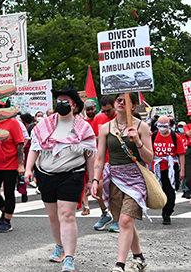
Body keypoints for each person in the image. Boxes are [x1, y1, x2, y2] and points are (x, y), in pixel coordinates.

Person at [25, 88, 95, 272]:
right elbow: (35, 148)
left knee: (67, 215)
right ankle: (59, 246)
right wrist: (28, 169)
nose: (62, 103)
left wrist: (92, 180)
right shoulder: (44, 125)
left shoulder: (83, 128)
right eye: (59, 100)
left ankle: (69, 258)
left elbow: (90, 155)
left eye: (66, 100)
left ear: (75, 104)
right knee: (53, 216)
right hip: (45, 174)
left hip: (72, 174)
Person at [91, 93, 153, 272]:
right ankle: (139, 257)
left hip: (136, 179)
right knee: (123, 221)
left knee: (125, 221)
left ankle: (119, 265)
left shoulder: (142, 126)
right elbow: (100, 158)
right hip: (115, 179)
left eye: (124, 100)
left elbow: (149, 159)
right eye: (118, 99)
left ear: (133, 105)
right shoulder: (105, 128)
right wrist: (96, 179)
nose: (119, 102)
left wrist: (138, 142)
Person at [0, 98, 26, 234]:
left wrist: (20, 165)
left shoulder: (13, 123)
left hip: (10, 165)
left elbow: (20, 144)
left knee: (9, 193)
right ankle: (5, 210)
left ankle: (7, 220)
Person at [91, 95, 120, 233]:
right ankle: (104, 214)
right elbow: (92, 137)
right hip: (102, 159)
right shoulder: (98, 118)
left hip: (117, 160)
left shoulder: (121, 118)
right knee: (97, 187)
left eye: (108, 110)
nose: (106, 113)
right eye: (103, 111)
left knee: (115, 190)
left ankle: (117, 219)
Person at [151, 116, 185, 225]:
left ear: (169, 125)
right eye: (159, 126)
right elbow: (149, 152)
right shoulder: (153, 136)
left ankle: (167, 213)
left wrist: (182, 170)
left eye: (164, 126)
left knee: (170, 191)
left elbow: (181, 154)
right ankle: (164, 209)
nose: (162, 128)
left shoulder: (175, 137)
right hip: (158, 168)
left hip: (172, 168)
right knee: (161, 191)